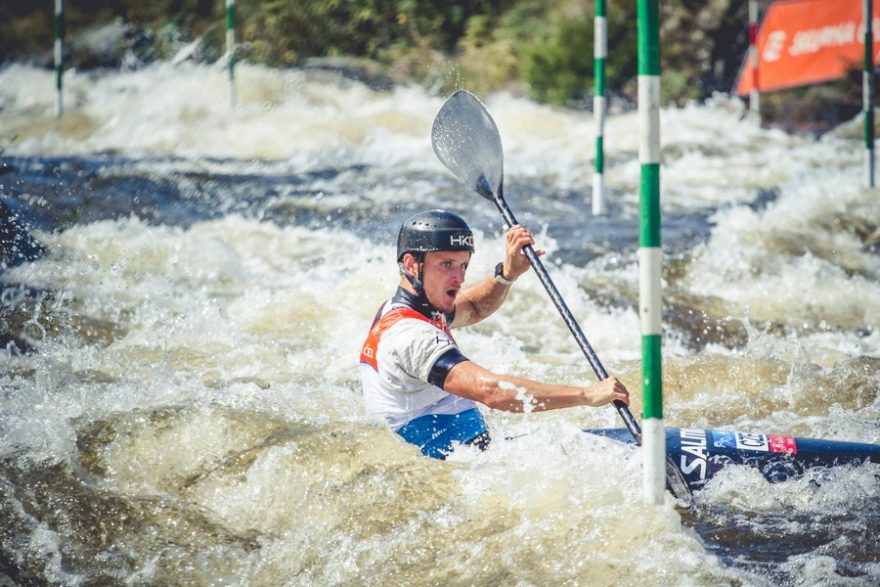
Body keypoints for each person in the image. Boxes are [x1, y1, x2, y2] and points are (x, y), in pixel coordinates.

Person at [359, 209, 630, 459]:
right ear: (411, 264)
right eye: (447, 264)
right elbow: (492, 392)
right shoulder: (412, 337)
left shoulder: (409, 310)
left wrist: (507, 274)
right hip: (461, 471)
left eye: (464, 265)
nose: (459, 278)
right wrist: (586, 395)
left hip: (475, 457)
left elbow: (474, 307)